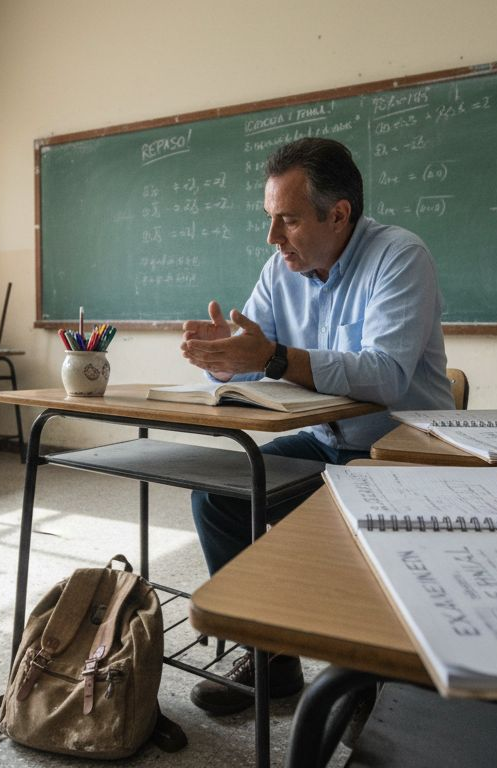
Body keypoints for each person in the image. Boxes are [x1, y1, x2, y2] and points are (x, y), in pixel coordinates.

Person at [180, 137, 455, 714]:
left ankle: (376, 678)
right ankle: (271, 659)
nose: (273, 238)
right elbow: (252, 353)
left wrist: (272, 357)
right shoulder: (281, 268)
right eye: (269, 219)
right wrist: (223, 359)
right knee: (219, 497)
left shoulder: (401, 256)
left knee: (349, 530)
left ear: (338, 214)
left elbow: (383, 375)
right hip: (331, 441)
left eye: (288, 220)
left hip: (405, 451)